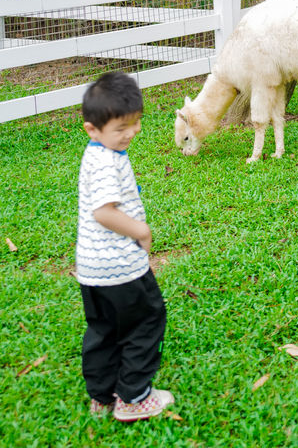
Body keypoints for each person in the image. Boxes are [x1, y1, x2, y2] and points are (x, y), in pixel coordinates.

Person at [76, 70, 173, 421]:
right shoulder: (104, 162)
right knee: (147, 321)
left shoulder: (96, 153)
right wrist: (140, 230)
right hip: (120, 268)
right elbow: (104, 212)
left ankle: (101, 396)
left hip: (91, 270)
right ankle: (133, 397)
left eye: (135, 123)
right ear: (93, 129)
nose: (130, 133)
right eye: (121, 128)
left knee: (103, 330)